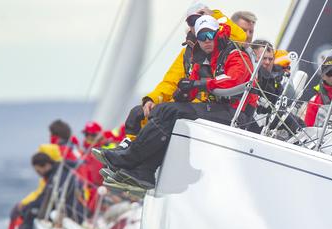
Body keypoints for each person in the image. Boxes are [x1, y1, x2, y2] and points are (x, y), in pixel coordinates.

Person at [96, 15, 257, 189]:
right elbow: (189, 86)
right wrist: (183, 93)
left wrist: (199, 84)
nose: (206, 41)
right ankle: (144, 171)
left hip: (236, 113)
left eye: (210, 35)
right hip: (217, 108)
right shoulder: (201, 57)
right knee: (162, 111)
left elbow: (232, 80)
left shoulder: (235, 54)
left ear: (217, 33)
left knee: (170, 112)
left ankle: (129, 158)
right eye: (202, 37)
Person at [121, 8, 247, 146]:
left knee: (166, 112)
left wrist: (214, 14)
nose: (197, 23)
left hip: (213, 104)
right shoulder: (187, 54)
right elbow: (171, 81)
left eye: (201, 19)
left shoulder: (223, 46)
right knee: (139, 113)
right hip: (191, 101)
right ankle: (131, 149)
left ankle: (137, 155)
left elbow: (240, 37)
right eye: (192, 21)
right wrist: (152, 99)